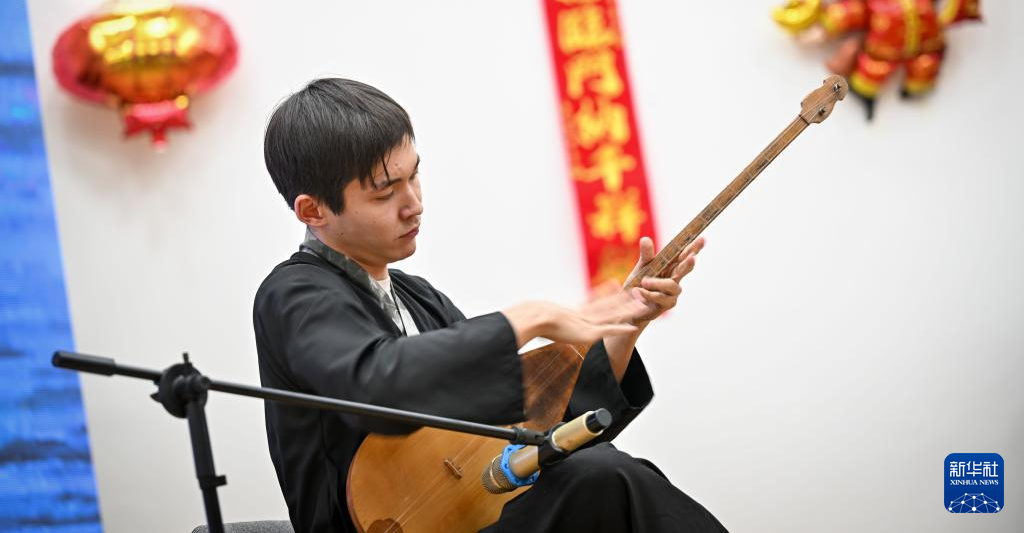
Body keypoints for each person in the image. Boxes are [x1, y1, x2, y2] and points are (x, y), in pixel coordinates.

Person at [254, 77, 728, 532]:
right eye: (385, 192)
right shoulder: (293, 295)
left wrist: (625, 325)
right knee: (602, 478)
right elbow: (378, 389)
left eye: (414, 176)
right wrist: (532, 318)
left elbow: (526, 434)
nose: (414, 204)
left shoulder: (420, 299)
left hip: (478, 519)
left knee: (597, 471)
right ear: (313, 210)